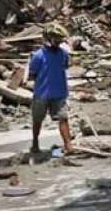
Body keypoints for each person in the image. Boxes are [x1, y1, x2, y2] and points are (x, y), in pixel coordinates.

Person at [29, 22, 73, 154]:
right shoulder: (38, 56)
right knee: (38, 120)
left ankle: (68, 145)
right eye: (56, 40)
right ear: (48, 39)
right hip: (43, 94)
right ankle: (35, 144)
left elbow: (33, 75)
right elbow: (33, 74)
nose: (58, 43)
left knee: (63, 118)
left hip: (58, 93)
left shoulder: (63, 54)